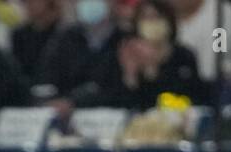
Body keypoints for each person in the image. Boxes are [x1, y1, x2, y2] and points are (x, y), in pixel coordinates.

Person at [71, 0, 204, 108]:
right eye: (146, 18)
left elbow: (194, 97)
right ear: (137, 23)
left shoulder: (184, 56)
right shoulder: (124, 52)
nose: (152, 23)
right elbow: (113, 99)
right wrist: (130, 75)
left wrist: (153, 72)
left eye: (157, 17)